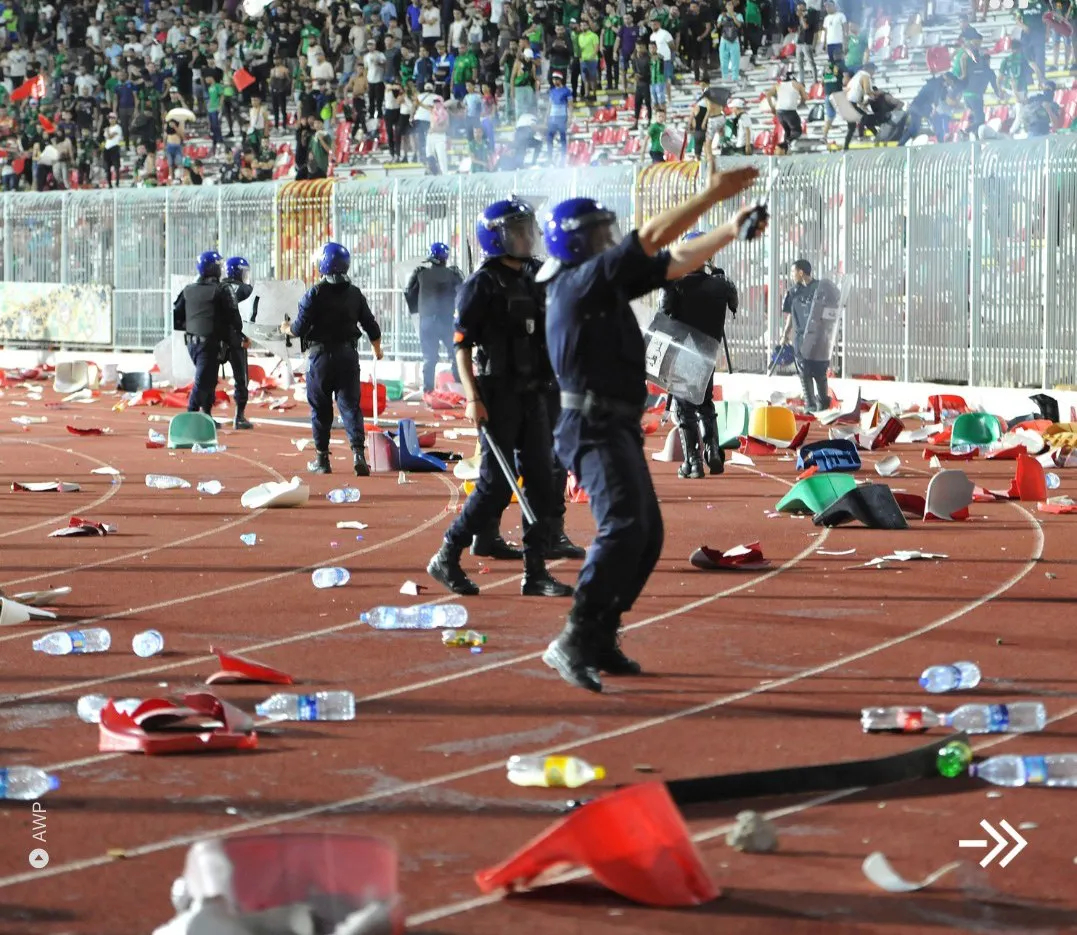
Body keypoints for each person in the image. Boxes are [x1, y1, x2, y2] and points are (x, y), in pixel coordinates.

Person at [537, 167, 764, 693]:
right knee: (622, 527)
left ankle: (602, 633)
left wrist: (730, 230)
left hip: (612, 422)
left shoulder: (600, 281)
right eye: (599, 234)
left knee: (646, 536)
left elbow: (674, 260)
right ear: (575, 244)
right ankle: (575, 637)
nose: (609, 240)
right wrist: (712, 195)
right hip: (590, 423)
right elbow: (652, 237)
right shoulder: (580, 280)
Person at [426, 198, 573, 600]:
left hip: (534, 392)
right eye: (517, 231)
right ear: (496, 238)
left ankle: (535, 572)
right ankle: (447, 554)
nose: (526, 237)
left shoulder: (534, 276)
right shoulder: (481, 285)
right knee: (494, 485)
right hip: (497, 394)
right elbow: (462, 348)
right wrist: (472, 398)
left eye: (527, 229)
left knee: (541, 481)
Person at [280, 243, 383, 476]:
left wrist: (286, 328)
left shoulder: (314, 294)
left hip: (320, 359)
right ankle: (358, 455)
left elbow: (298, 328)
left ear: (323, 264)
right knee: (350, 407)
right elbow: (371, 325)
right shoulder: (355, 294)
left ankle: (322, 460)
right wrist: (377, 349)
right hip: (348, 357)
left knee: (321, 409)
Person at [657, 232, 739, 479]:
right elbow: (733, 304)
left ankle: (693, 463)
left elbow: (663, 312)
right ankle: (713, 451)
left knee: (684, 408)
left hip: (683, 352)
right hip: (708, 354)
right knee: (704, 402)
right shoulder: (722, 284)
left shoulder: (676, 284)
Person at [172, 250, 240, 416]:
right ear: (213, 268)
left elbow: (177, 318)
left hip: (192, 343)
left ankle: (206, 416)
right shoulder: (221, 290)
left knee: (209, 380)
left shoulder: (188, 290)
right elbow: (233, 317)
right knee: (203, 381)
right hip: (210, 343)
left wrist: (194, 326)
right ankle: (191, 415)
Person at [779, 258, 839, 412]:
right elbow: (790, 315)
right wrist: (785, 334)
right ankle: (810, 405)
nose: (791, 275)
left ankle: (823, 402)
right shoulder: (793, 293)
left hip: (820, 339)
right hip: (801, 338)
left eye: (793, 272)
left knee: (819, 372)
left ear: (801, 272)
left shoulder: (822, 289)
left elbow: (835, 307)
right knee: (804, 372)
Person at [403, 242, 463, 393]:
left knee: (429, 358)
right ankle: (460, 387)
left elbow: (409, 293)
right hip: (447, 320)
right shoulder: (453, 274)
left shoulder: (421, 274)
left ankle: (428, 391)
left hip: (427, 321)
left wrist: (419, 311)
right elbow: (463, 293)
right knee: (456, 354)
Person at [222, 256, 254, 430]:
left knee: (208, 379)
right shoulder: (245, 289)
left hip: (218, 339)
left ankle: (205, 413)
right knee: (241, 379)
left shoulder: (219, 287)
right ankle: (239, 416)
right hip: (237, 339)